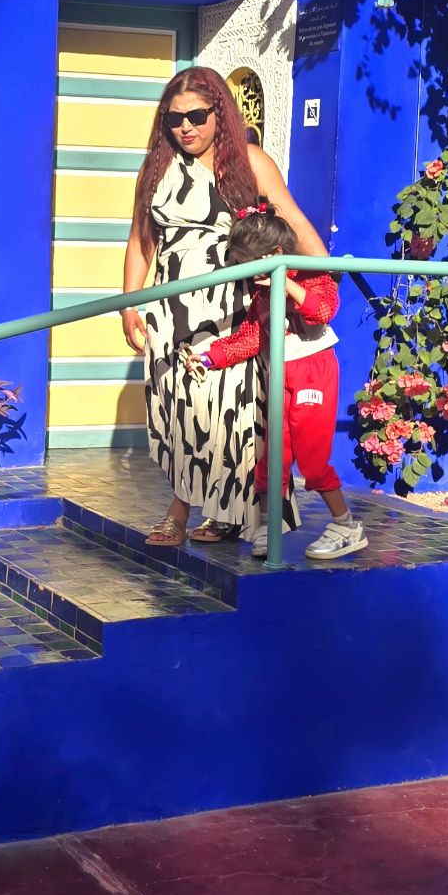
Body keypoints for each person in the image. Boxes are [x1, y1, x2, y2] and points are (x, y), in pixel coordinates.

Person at [121, 66, 327, 548]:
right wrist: (129, 306)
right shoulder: (156, 170)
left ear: (220, 113)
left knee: (224, 414)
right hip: (169, 312)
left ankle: (207, 512)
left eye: (196, 116)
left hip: (229, 310)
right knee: (177, 411)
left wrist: (325, 275)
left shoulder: (250, 163)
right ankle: (198, 507)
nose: (186, 127)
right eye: (174, 119)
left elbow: (294, 223)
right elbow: (140, 240)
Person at [182, 201, 368, 561]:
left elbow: (323, 310)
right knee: (272, 459)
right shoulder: (263, 295)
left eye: (252, 264)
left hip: (313, 371)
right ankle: (271, 527)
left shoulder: (311, 274)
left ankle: (346, 525)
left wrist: (286, 284)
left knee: (313, 461)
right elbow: (251, 338)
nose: (249, 275)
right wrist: (208, 356)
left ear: (277, 254)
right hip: (280, 374)